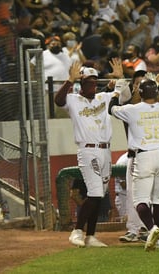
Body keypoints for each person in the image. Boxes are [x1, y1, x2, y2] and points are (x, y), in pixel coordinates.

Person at [55, 62, 117, 248]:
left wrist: (119, 78)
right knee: (96, 192)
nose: (92, 85)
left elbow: (124, 95)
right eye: (88, 82)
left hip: (106, 150)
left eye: (94, 82)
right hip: (87, 149)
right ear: (81, 84)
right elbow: (58, 101)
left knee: (100, 194)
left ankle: (90, 236)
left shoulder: (103, 97)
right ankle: (77, 231)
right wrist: (69, 80)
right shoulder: (73, 99)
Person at [109, 79, 159, 251]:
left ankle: (153, 229)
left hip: (144, 156)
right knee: (158, 198)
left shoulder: (132, 109)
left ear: (141, 93)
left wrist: (116, 91)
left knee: (140, 201)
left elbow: (112, 108)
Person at [115, 152, 146, 243]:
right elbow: (123, 184)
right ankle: (134, 231)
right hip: (123, 197)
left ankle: (144, 230)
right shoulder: (124, 160)